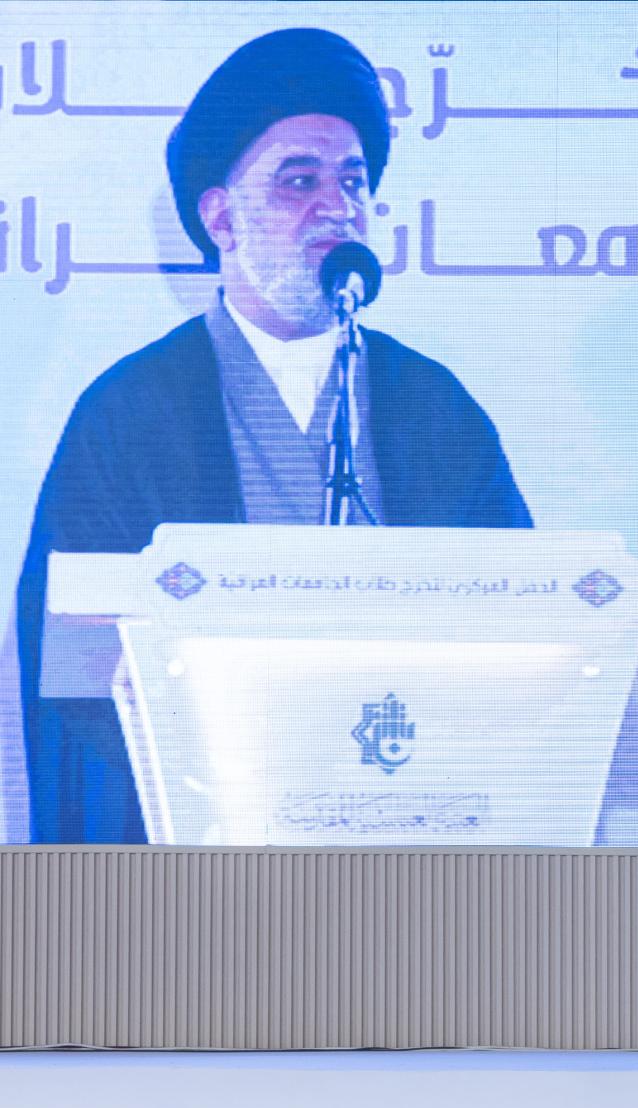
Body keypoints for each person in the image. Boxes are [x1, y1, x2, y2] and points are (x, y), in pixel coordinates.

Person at [16, 28, 532, 843]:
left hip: (411, 836)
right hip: (203, 852)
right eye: (299, 181)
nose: (338, 207)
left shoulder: (434, 409)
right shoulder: (129, 413)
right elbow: (77, 673)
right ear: (221, 217)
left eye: (353, 181)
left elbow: (523, 623)